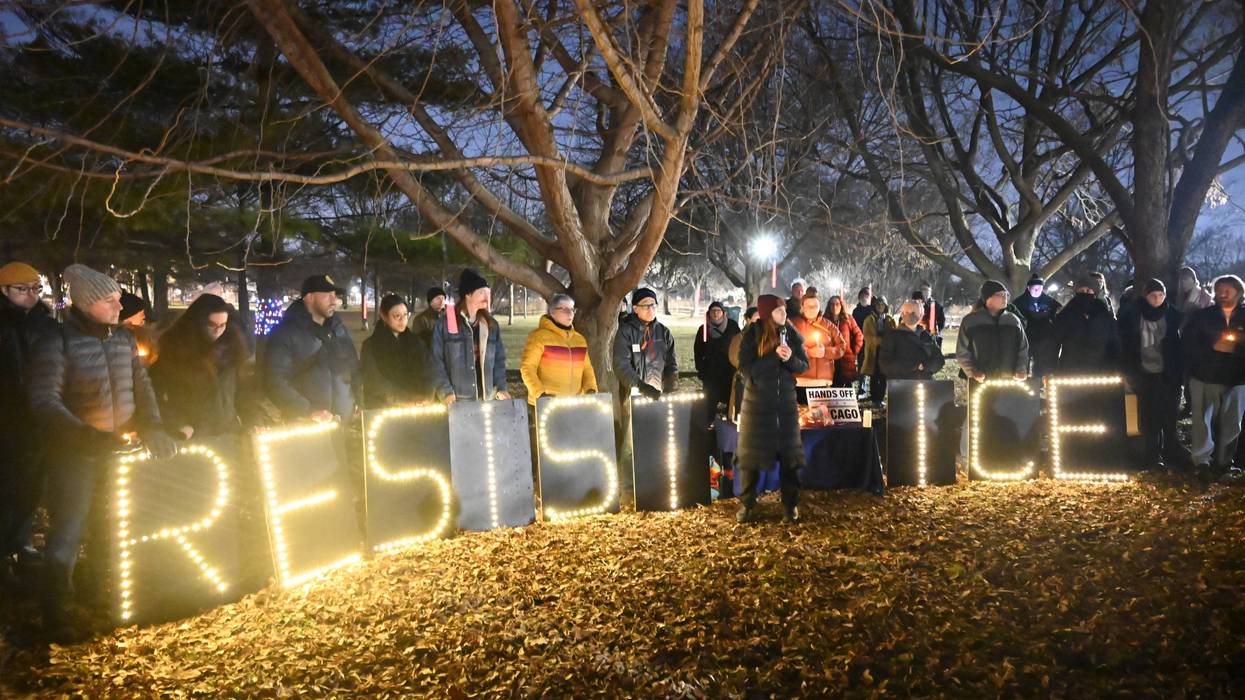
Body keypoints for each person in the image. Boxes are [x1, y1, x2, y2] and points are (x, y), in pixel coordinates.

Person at [26, 264, 176, 643]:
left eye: (117, 298)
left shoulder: (123, 340)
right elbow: (44, 400)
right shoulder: (56, 342)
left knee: (109, 528)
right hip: (74, 456)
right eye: (110, 300)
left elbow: (143, 387)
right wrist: (87, 437)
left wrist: (154, 426)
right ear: (87, 303)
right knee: (68, 533)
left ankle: (95, 597)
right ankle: (56, 614)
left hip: (116, 454)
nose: (118, 306)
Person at [0, 262, 59, 577]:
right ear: (5, 290)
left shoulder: (45, 324)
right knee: (7, 486)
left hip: (37, 419)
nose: (31, 295)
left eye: (36, 288)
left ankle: (19, 542)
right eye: (22, 289)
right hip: (8, 418)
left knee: (32, 485)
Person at [735, 294, 809, 524]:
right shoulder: (752, 335)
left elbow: (803, 365)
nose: (784, 315)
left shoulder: (792, 334)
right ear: (768, 314)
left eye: (784, 310)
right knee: (751, 459)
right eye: (778, 311)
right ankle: (747, 504)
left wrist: (788, 360)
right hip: (757, 406)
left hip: (785, 405)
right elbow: (746, 368)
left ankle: (790, 505)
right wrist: (772, 357)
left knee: (790, 459)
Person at [149, 294, 251, 439]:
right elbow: (154, 394)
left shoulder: (232, 350)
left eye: (222, 326)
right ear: (197, 322)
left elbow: (243, 391)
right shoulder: (175, 350)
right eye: (211, 325)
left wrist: (252, 419)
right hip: (193, 435)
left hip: (229, 432)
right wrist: (178, 424)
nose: (217, 332)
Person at [264, 274, 359, 422]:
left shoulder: (339, 329)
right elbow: (276, 380)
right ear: (309, 297)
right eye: (327, 295)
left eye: (334, 295)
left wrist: (357, 401)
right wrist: (308, 411)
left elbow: (353, 368)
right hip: (307, 427)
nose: (334, 300)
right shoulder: (285, 332)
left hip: (343, 422)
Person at [1182, 275, 1245, 482]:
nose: (1222, 294)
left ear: (1238, 292)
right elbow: (1188, 344)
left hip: (1237, 378)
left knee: (1232, 423)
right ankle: (1202, 462)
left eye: (1227, 290)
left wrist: (1236, 348)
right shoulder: (1203, 317)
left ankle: (1224, 463)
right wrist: (1212, 348)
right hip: (1204, 376)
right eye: (1219, 290)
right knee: (1202, 421)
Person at [1117, 280, 1184, 471]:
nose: (1157, 299)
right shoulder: (1131, 315)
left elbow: (1177, 346)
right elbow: (1126, 344)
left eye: (1160, 295)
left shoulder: (1172, 316)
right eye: (1153, 295)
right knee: (1147, 417)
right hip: (1142, 371)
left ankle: (1168, 452)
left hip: (1167, 373)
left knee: (1167, 416)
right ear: (1145, 296)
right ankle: (1151, 455)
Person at [432, 269, 510, 403]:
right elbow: (436, 361)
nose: (487, 296)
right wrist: (446, 392)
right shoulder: (446, 323)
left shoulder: (490, 325)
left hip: (487, 399)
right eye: (481, 292)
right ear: (468, 294)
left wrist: (501, 388)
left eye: (488, 292)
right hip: (458, 400)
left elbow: (499, 360)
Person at [360, 294, 435, 409]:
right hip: (384, 408)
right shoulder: (371, 345)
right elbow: (374, 381)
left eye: (405, 315)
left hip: (418, 408)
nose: (403, 320)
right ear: (384, 316)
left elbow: (429, 370)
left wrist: (427, 395)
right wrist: (407, 399)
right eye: (397, 316)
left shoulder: (416, 342)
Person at [520, 293, 597, 405]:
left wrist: (591, 389)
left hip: (575, 403)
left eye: (572, 309)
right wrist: (540, 394)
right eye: (564, 309)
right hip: (547, 404)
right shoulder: (539, 337)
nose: (570, 313)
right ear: (552, 312)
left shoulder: (579, 340)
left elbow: (587, 369)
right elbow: (527, 368)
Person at [1043, 275, 1120, 374]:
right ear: (1077, 292)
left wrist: (1113, 367)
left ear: (1094, 292)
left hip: (1099, 371)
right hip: (1069, 370)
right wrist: (1049, 369)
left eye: (1088, 291)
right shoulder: (1067, 314)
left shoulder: (1104, 315)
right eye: (1081, 291)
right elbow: (1053, 342)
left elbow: (1114, 343)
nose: (1085, 294)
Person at [956, 280, 1029, 383]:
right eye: (1000, 294)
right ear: (988, 297)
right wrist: (972, 372)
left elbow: (1023, 348)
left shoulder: (1013, 320)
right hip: (981, 381)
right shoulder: (970, 321)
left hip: (1010, 380)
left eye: (1006, 294)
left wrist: (1021, 369)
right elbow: (962, 351)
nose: (1005, 298)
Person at [613, 288, 678, 399]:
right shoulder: (625, 332)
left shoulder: (664, 332)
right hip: (633, 396)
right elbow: (621, 365)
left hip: (659, 394)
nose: (650, 309)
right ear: (635, 308)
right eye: (645, 305)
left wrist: (671, 382)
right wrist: (641, 386)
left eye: (653, 305)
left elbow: (671, 362)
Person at [790, 288, 846, 391]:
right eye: (808, 306)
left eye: (815, 306)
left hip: (823, 381)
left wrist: (826, 352)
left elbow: (842, 346)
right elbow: (788, 347)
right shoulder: (794, 324)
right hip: (800, 379)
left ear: (819, 306)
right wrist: (809, 352)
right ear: (802, 307)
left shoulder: (828, 325)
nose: (812, 309)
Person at [879, 300, 945, 380]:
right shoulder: (892, 337)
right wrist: (914, 365)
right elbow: (885, 365)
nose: (910, 315)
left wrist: (925, 365)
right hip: (900, 386)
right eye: (907, 312)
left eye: (913, 312)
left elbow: (939, 360)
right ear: (902, 314)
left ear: (921, 315)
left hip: (925, 385)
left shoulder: (926, 336)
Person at [693, 301, 741, 411]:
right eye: (713, 311)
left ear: (723, 313)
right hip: (710, 372)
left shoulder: (732, 326)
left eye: (718, 311)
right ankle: (709, 425)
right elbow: (698, 350)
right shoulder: (703, 329)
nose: (715, 313)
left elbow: (739, 344)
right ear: (708, 313)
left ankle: (728, 424)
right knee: (709, 402)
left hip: (729, 371)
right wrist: (701, 369)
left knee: (731, 400)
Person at [1012, 275, 1062, 377]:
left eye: (1039, 288)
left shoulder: (1050, 302)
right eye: (1034, 287)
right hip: (1026, 336)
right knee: (1023, 361)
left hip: (1044, 338)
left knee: (1041, 365)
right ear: (1028, 288)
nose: (1037, 290)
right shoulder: (1019, 302)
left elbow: (1057, 317)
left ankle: (1039, 382)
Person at [859, 296, 896, 404]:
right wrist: (882, 340)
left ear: (885, 306)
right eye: (878, 304)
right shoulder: (869, 320)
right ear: (875, 306)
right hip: (874, 352)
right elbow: (868, 337)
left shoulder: (890, 320)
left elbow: (894, 335)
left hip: (886, 353)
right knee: (874, 375)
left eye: (882, 305)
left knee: (884, 376)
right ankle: (874, 398)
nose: (880, 306)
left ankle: (880, 397)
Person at [824, 295, 864, 388]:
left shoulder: (848, 319)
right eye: (832, 304)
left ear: (841, 306)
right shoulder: (824, 320)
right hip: (830, 358)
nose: (834, 307)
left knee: (847, 388)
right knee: (833, 386)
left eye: (837, 304)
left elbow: (859, 335)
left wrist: (854, 350)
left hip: (846, 358)